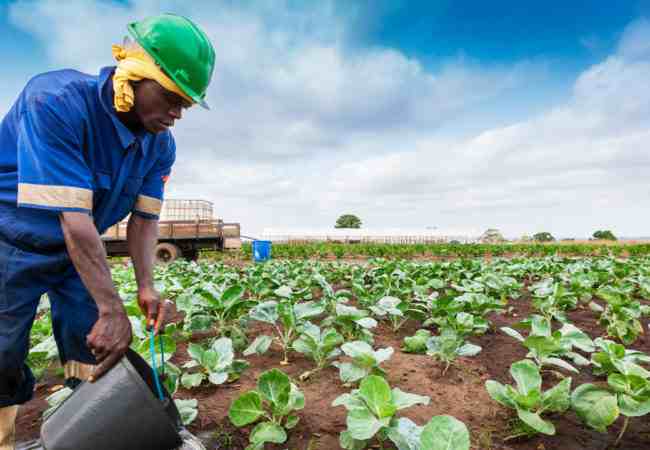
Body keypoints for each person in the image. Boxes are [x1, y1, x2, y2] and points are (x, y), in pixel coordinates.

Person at [0, 14, 215, 450]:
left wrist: (146, 286)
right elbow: (73, 219)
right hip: (10, 243)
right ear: (135, 76)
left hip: (76, 253)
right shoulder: (55, 101)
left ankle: (87, 433)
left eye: (186, 105)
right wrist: (113, 307)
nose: (176, 113)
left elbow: (144, 220)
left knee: (94, 344)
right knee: (1, 350)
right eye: (172, 97)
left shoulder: (160, 145)